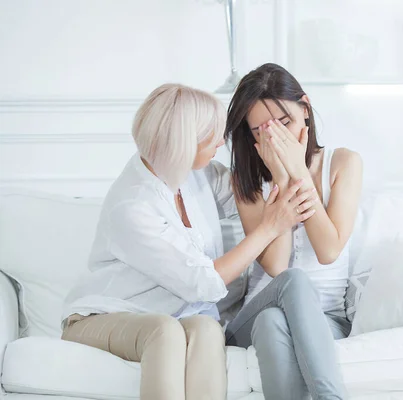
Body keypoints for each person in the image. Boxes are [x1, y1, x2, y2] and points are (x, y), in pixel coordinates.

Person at [61, 83, 316, 400]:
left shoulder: (196, 174)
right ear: (183, 143)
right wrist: (269, 227)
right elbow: (204, 284)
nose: (222, 142)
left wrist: (286, 163)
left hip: (176, 315)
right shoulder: (133, 206)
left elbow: (249, 191)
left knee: (207, 328)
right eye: (213, 135)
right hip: (102, 318)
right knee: (164, 331)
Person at [224, 63, 363, 400]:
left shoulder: (344, 163)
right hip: (254, 308)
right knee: (291, 284)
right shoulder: (247, 178)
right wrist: (282, 179)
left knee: (272, 324)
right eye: (259, 130)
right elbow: (276, 267)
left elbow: (328, 250)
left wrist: (298, 170)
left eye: (283, 123)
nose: (274, 136)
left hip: (325, 317)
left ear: (305, 108)